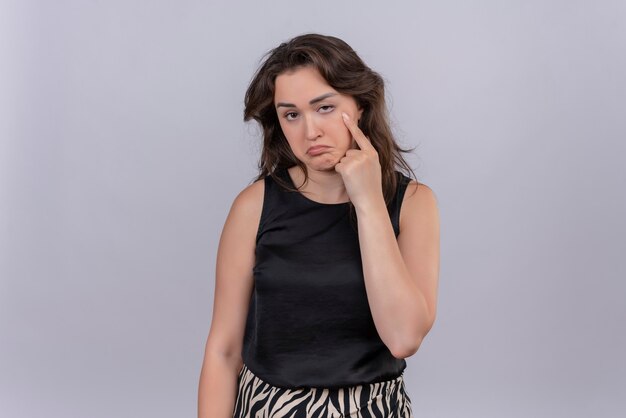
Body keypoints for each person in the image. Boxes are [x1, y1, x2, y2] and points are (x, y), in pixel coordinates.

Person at [198, 33, 440, 418]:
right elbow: (224, 351)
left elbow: (404, 338)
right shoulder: (254, 205)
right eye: (291, 114)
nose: (310, 132)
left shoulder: (413, 204)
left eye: (324, 108)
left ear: (359, 104)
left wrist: (369, 202)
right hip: (269, 409)